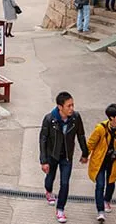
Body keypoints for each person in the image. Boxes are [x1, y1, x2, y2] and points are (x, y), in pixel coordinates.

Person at [40, 92, 89, 223]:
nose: (72, 108)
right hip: (52, 155)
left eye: (73, 105)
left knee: (65, 183)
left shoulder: (76, 118)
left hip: (67, 156)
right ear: (60, 107)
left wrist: (85, 153)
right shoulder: (49, 119)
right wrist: (43, 161)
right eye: (69, 106)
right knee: (50, 178)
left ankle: (60, 209)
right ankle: (48, 191)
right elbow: (43, 140)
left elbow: (81, 135)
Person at [87, 104, 116, 222]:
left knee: (111, 182)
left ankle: (107, 200)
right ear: (112, 118)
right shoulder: (100, 129)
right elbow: (90, 144)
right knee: (100, 185)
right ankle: (100, 211)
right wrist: (85, 155)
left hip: (114, 161)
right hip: (100, 161)